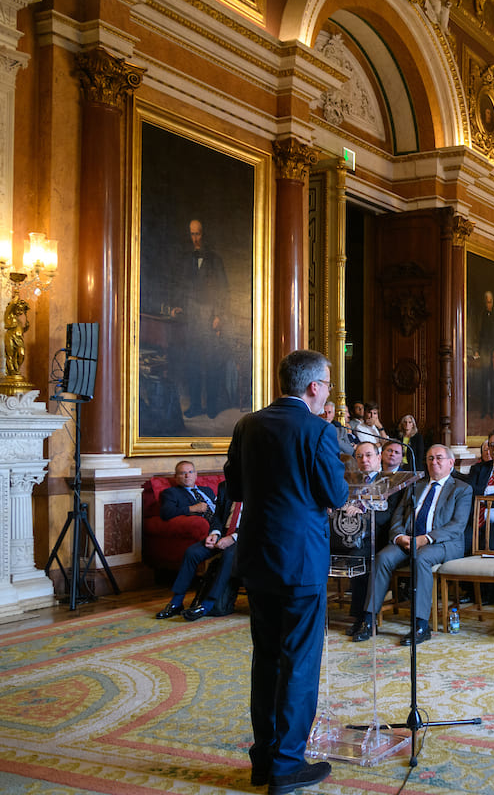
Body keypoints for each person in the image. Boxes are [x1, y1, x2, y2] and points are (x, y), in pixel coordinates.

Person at [224, 349, 347, 793]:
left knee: (267, 659)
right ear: (313, 387)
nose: (328, 392)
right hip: (300, 563)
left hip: (257, 559)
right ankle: (288, 766)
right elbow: (334, 493)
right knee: (299, 662)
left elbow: (234, 487)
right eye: (328, 384)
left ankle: (263, 759)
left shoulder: (247, 424)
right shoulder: (318, 430)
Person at [362, 445, 473, 644]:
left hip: (443, 543)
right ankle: (369, 619)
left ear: (451, 462)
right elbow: (398, 516)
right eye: (430, 458)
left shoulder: (462, 488)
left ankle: (421, 624)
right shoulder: (416, 485)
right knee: (383, 557)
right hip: (408, 540)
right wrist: (398, 537)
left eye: (439, 458)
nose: (434, 462)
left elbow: (457, 526)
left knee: (421, 558)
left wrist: (426, 538)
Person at [154, 461, 237, 622]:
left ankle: (207, 604)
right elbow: (219, 516)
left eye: (190, 472)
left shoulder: (259, 489)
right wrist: (215, 532)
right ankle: (176, 601)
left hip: (243, 537)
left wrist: (232, 538)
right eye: (183, 473)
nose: (187, 476)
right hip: (219, 531)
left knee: (228, 555)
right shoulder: (225, 487)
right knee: (192, 552)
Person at [342, 441, 404, 641]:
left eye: (368, 455)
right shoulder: (352, 481)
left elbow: (390, 514)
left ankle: (362, 618)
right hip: (351, 533)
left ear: (379, 457)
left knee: (359, 558)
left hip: (380, 534)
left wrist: (364, 512)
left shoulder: (390, 481)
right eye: (359, 456)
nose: (364, 460)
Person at [179, 219, 229, 419]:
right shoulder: (187, 259)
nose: (195, 239)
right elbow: (183, 287)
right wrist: (179, 307)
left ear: (204, 235)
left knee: (211, 363)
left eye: (198, 234)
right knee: (193, 362)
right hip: (192, 317)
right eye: (192, 234)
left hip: (210, 316)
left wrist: (219, 315)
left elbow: (224, 290)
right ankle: (195, 406)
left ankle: (212, 407)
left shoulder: (215, 260)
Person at [476, 290, 494, 419]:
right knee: (483, 383)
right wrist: (478, 350)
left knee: (492, 384)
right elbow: (480, 333)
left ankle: (491, 411)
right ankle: (484, 410)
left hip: (493, 352)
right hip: (484, 352)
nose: (488, 304)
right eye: (487, 302)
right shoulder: (482, 314)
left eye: (490, 301)